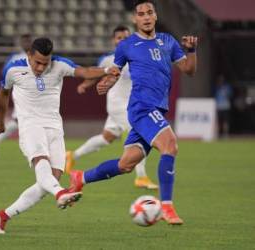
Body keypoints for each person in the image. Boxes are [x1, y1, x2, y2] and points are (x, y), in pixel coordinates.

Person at [69, 0, 198, 225]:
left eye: (150, 13)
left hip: (156, 109)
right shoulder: (127, 45)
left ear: (155, 16)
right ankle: (167, 207)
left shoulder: (168, 41)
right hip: (141, 107)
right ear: (135, 19)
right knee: (170, 145)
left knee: (126, 164)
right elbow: (115, 72)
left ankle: (81, 177)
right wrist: (107, 83)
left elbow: (189, 70)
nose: (146, 17)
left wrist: (192, 50)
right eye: (141, 14)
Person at [0, 37, 120, 234]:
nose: (41, 67)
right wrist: (0, 123)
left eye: (45, 63)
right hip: (30, 125)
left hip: (54, 127)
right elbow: (3, 94)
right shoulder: (13, 69)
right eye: (37, 62)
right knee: (42, 164)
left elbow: (83, 72)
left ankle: (3, 215)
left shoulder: (59, 65)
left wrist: (106, 70)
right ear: (29, 56)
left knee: (50, 179)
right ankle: (60, 192)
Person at [66, 25, 157, 189]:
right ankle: (141, 177)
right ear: (114, 41)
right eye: (119, 38)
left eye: (125, 37)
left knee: (106, 137)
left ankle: (72, 155)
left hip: (130, 105)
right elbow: (96, 73)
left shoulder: (138, 57)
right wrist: (85, 85)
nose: (122, 40)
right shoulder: (108, 59)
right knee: (139, 134)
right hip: (118, 105)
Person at [0, 34, 33, 160]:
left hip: (34, 92)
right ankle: (29, 151)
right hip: (20, 91)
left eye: (28, 41)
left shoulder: (36, 56)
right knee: (23, 120)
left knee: (20, 121)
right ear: (21, 43)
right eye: (24, 41)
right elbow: (5, 74)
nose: (26, 43)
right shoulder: (15, 57)